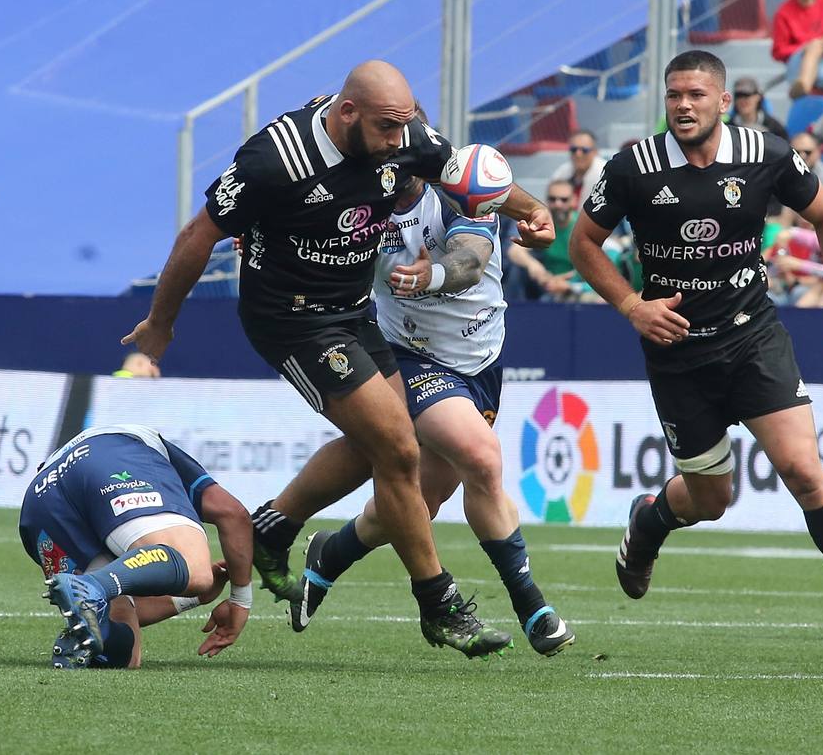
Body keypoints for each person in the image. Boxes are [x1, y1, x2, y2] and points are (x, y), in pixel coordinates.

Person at [122, 61, 554, 658]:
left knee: (376, 444)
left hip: (352, 313)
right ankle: (438, 603)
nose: (397, 142)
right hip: (293, 320)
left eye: (404, 128)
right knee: (401, 448)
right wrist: (161, 322)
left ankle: (272, 527)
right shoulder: (277, 158)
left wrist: (531, 211)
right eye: (385, 127)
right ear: (347, 112)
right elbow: (199, 236)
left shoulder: (402, 139)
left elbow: (472, 179)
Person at [570, 49, 823, 664]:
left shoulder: (766, 154)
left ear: (724, 102)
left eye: (697, 95)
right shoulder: (634, 166)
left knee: (805, 472)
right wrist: (631, 307)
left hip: (752, 335)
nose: (683, 105)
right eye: (675, 94)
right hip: (677, 353)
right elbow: (583, 243)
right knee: (711, 500)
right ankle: (649, 523)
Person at [290, 174, 576, 655]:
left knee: (415, 507)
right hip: (411, 358)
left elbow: (470, 260)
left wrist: (433, 274)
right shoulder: (356, 212)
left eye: (401, 147)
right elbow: (304, 241)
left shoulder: (461, 189)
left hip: (480, 362)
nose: (389, 160)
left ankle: (328, 556)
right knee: (482, 458)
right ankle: (533, 607)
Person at [20, 424, 255, 668]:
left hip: (40, 503)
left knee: (123, 650)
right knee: (195, 567)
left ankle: (89, 621)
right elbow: (232, 513)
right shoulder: (159, 451)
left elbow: (117, 606)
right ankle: (93, 585)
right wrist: (240, 600)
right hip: (108, 455)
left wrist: (191, 599)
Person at [550, 128, 607, 205]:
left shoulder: (605, 174)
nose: (578, 154)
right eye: (574, 149)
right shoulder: (562, 173)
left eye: (584, 150)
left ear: (595, 152)